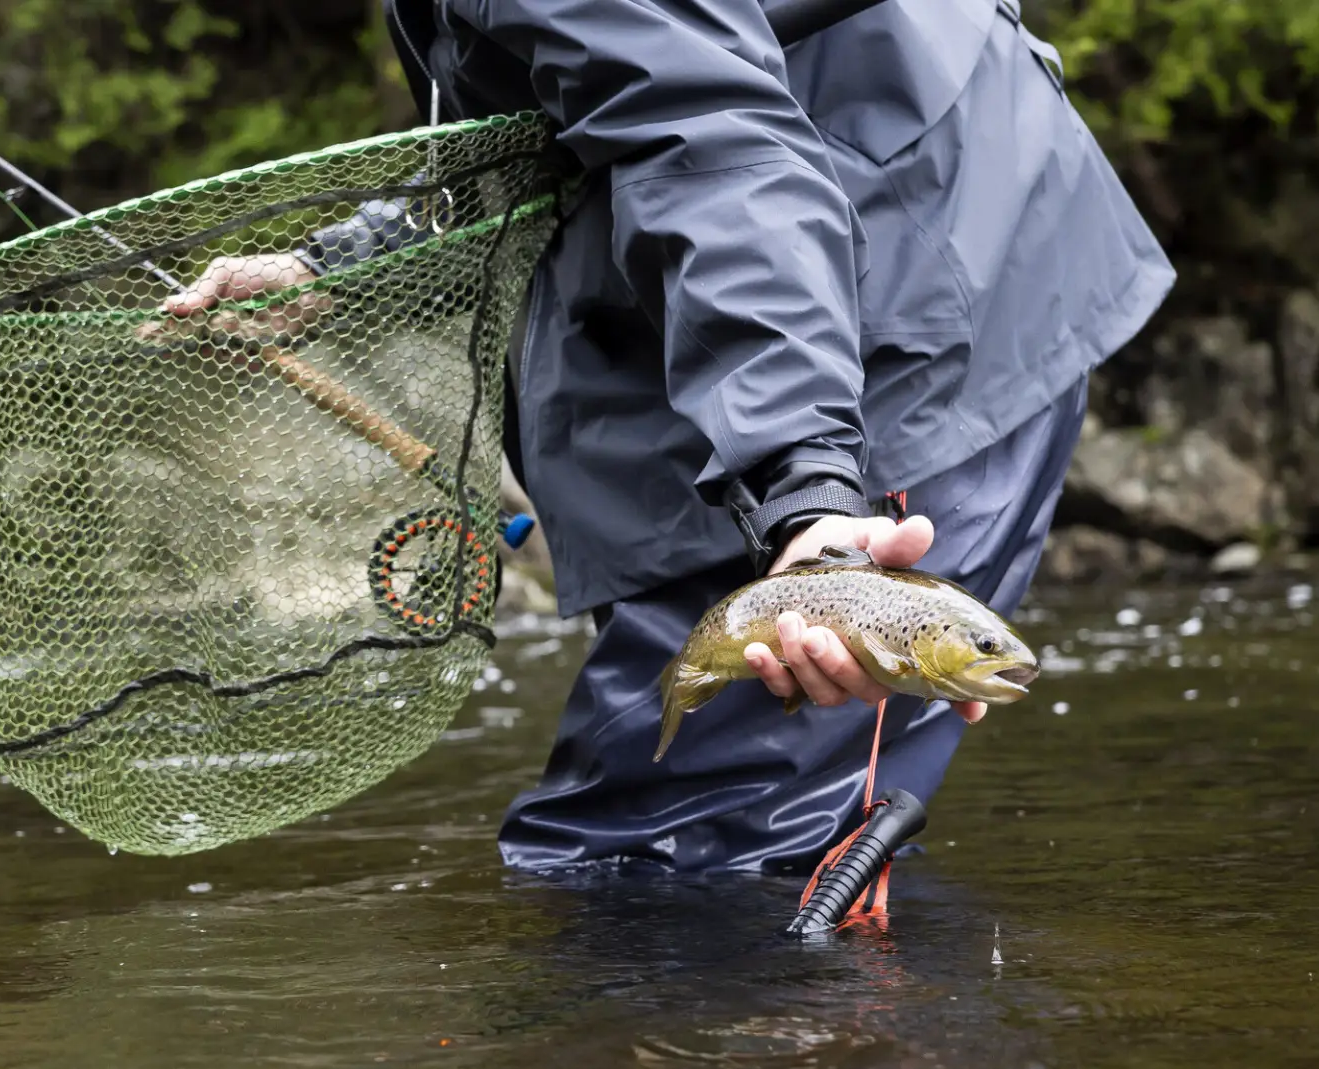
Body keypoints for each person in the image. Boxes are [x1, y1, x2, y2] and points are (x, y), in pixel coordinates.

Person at [152, 0, 1176, 877]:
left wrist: (808, 493)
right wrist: (346, 266)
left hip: (887, 346)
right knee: (655, 872)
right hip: (761, 350)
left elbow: (710, 146)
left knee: (678, 871)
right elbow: (568, 99)